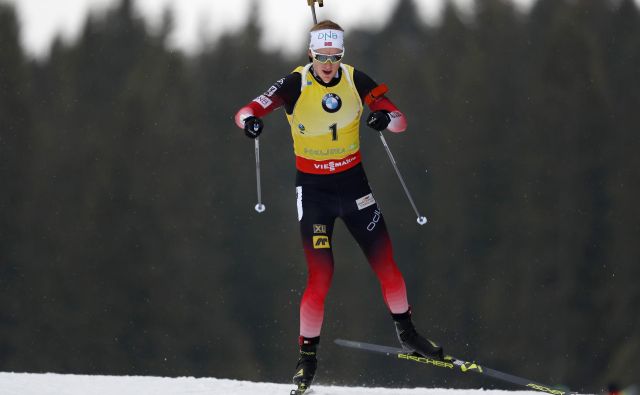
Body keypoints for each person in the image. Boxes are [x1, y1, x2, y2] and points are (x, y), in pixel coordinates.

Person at [234, 20, 444, 391]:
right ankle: (307, 360)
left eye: (335, 56)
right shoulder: (295, 82)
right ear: (310, 54)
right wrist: (250, 123)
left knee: (386, 262)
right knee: (321, 276)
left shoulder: (355, 79)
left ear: (341, 55)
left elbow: (400, 121)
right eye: (322, 56)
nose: (328, 64)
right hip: (313, 191)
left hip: (353, 186)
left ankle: (407, 333)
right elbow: (247, 110)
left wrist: (382, 116)